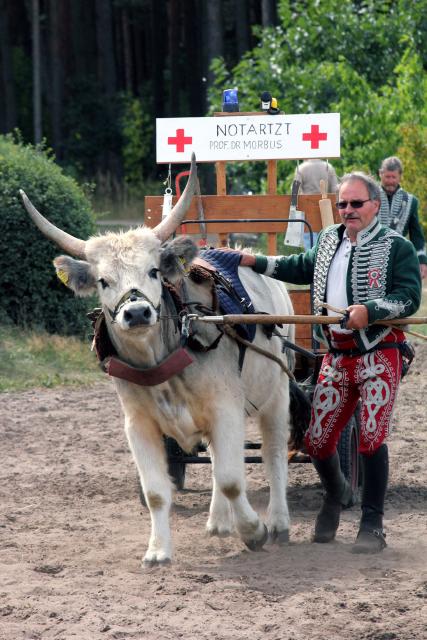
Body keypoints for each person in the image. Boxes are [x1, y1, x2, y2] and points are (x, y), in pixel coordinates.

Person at [235, 172, 422, 553]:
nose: (348, 210)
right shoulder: (326, 241)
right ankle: (336, 496)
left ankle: (373, 525)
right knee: (316, 441)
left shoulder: (396, 246)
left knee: (370, 438)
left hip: (378, 352)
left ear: (374, 205)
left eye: (356, 203)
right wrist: (248, 259)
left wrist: (369, 311)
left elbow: (409, 297)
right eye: (343, 204)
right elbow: (296, 267)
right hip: (336, 356)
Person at [379, 156, 427, 279]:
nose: (390, 181)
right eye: (387, 177)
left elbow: (416, 234)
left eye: (393, 177)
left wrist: (422, 260)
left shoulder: (411, 201)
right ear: (380, 174)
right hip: (371, 256)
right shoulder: (369, 197)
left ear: (400, 176)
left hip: (399, 257)